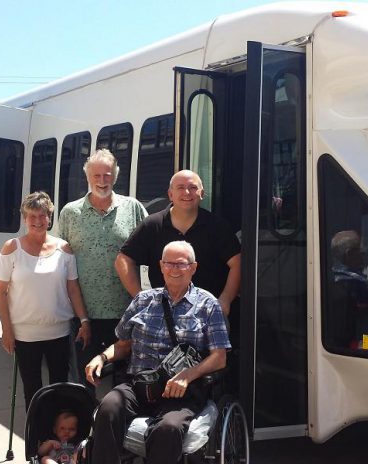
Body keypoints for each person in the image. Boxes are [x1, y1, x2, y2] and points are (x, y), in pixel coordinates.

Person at [86, 241, 231, 464]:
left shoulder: (208, 305)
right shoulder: (143, 300)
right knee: (108, 407)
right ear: (161, 266)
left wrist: (188, 375)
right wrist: (102, 356)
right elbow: (124, 344)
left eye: (181, 264)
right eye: (169, 264)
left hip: (181, 392)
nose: (174, 269)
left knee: (168, 428)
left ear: (193, 267)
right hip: (140, 384)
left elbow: (219, 357)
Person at [58, 149, 147, 386]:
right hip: (84, 314)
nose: (102, 181)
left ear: (115, 176)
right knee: (85, 380)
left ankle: (118, 423)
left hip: (125, 311)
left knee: (125, 383)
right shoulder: (70, 212)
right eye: (96, 175)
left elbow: (149, 249)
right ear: (87, 177)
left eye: (107, 175)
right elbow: (61, 259)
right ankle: (87, 422)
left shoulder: (133, 208)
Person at [0, 192, 91, 409]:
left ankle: (60, 437)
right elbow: (0, 292)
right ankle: (37, 439)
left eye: (42, 216)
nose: (37, 221)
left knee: (59, 388)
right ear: (24, 219)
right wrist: (7, 330)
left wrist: (84, 321)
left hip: (58, 331)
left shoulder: (64, 249)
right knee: (33, 390)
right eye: (32, 216)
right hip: (24, 334)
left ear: (49, 217)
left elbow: (72, 288)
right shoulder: (12, 248)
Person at [115, 170, 240, 317]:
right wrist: (141, 299)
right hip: (162, 314)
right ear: (170, 194)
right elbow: (123, 260)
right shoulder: (153, 225)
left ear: (202, 193)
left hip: (209, 314)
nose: (187, 192)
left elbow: (238, 263)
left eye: (193, 187)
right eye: (180, 187)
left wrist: (225, 300)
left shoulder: (217, 226)